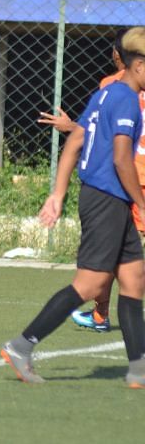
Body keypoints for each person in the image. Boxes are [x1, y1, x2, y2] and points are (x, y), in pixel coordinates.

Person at [1, 27, 145, 387]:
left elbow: (74, 142)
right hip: (107, 200)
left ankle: (139, 369)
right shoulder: (126, 99)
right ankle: (22, 345)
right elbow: (121, 159)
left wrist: (58, 193)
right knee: (91, 283)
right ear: (139, 65)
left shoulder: (105, 93)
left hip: (109, 199)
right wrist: (142, 203)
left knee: (133, 277)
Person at [38, 28, 144, 333]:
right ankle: (102, 317)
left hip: (125, 180)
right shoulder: (114, 90)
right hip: (124, 182)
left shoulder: (110, 88)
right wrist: (74, 127)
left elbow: (98, 140)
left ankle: (103, 319)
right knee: (119, 261)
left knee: (117, 264)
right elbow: (101, 138)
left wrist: (73, 128)